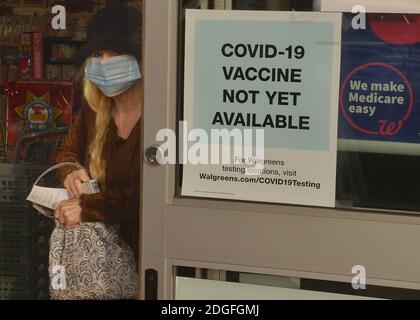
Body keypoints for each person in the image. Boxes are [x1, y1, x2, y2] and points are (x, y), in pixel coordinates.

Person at [54, 4, 142, 268]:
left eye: (114, 53)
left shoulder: (164, 114)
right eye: (97, 54)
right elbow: (67, 153)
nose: (104, 62)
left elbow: (152, 195)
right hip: (98, 262)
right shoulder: (94, 110)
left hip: (147, 255)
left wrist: (89, 207)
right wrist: (70, 172)